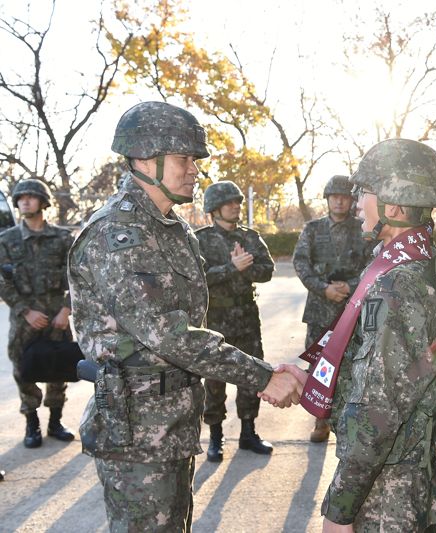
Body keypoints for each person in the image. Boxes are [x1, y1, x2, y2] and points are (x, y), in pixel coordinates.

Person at [67, 101, 305, 532]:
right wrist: (262, 376)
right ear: (145, 158)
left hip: (173, 421)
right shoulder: (118, 234)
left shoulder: (171, 229)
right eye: (184, 159)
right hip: (137, 431)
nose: (194, 169)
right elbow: (170, 334)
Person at [321, 138, 436, 532]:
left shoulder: (397, 281)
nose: (357, 201)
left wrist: (340, 507)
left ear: (394, 207)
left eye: (364, 192)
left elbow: (380, 407)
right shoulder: (421, 261)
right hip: (406, 466)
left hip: (387, 487)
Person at [197, 180, 276, 462]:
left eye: (238, 202)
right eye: (229, 202)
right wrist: (232, 268)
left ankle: (248, 432)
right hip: (216, 319)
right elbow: (198, 279)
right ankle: (215, 437)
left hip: (246, 317)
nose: (235, 206)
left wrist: (247, 268)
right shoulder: (200, 239)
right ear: (214, 208)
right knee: (214, 379)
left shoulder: (251, 237)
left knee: (251, 374)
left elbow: (268, 271)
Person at [293, 175, 371, 443]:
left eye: (345, 196)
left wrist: (351, 286)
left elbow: (374, 263)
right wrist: (323, 288)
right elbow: (301, 263)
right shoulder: (312, 229)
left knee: (353, 364)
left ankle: (349, 421)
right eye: (334, 196)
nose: (339, 200)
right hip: (319, 309)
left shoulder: (363, 228)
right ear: (327, 199)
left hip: (352, 309)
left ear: (351, 200)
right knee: (318, 366)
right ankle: (321, 419)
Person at [0, 179, 75, 448]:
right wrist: (24, 311)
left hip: (58, 314)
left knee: (59, 368)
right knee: (23, 368)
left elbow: (76, 276)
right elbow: (1, 281)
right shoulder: (6, 241)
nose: (24, 202)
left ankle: (55, 422)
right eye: (20, 198)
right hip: (24, 319)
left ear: (43, 202)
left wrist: (67, 310)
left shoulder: (63, 238)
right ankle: (32, 423)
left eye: (31, 197)